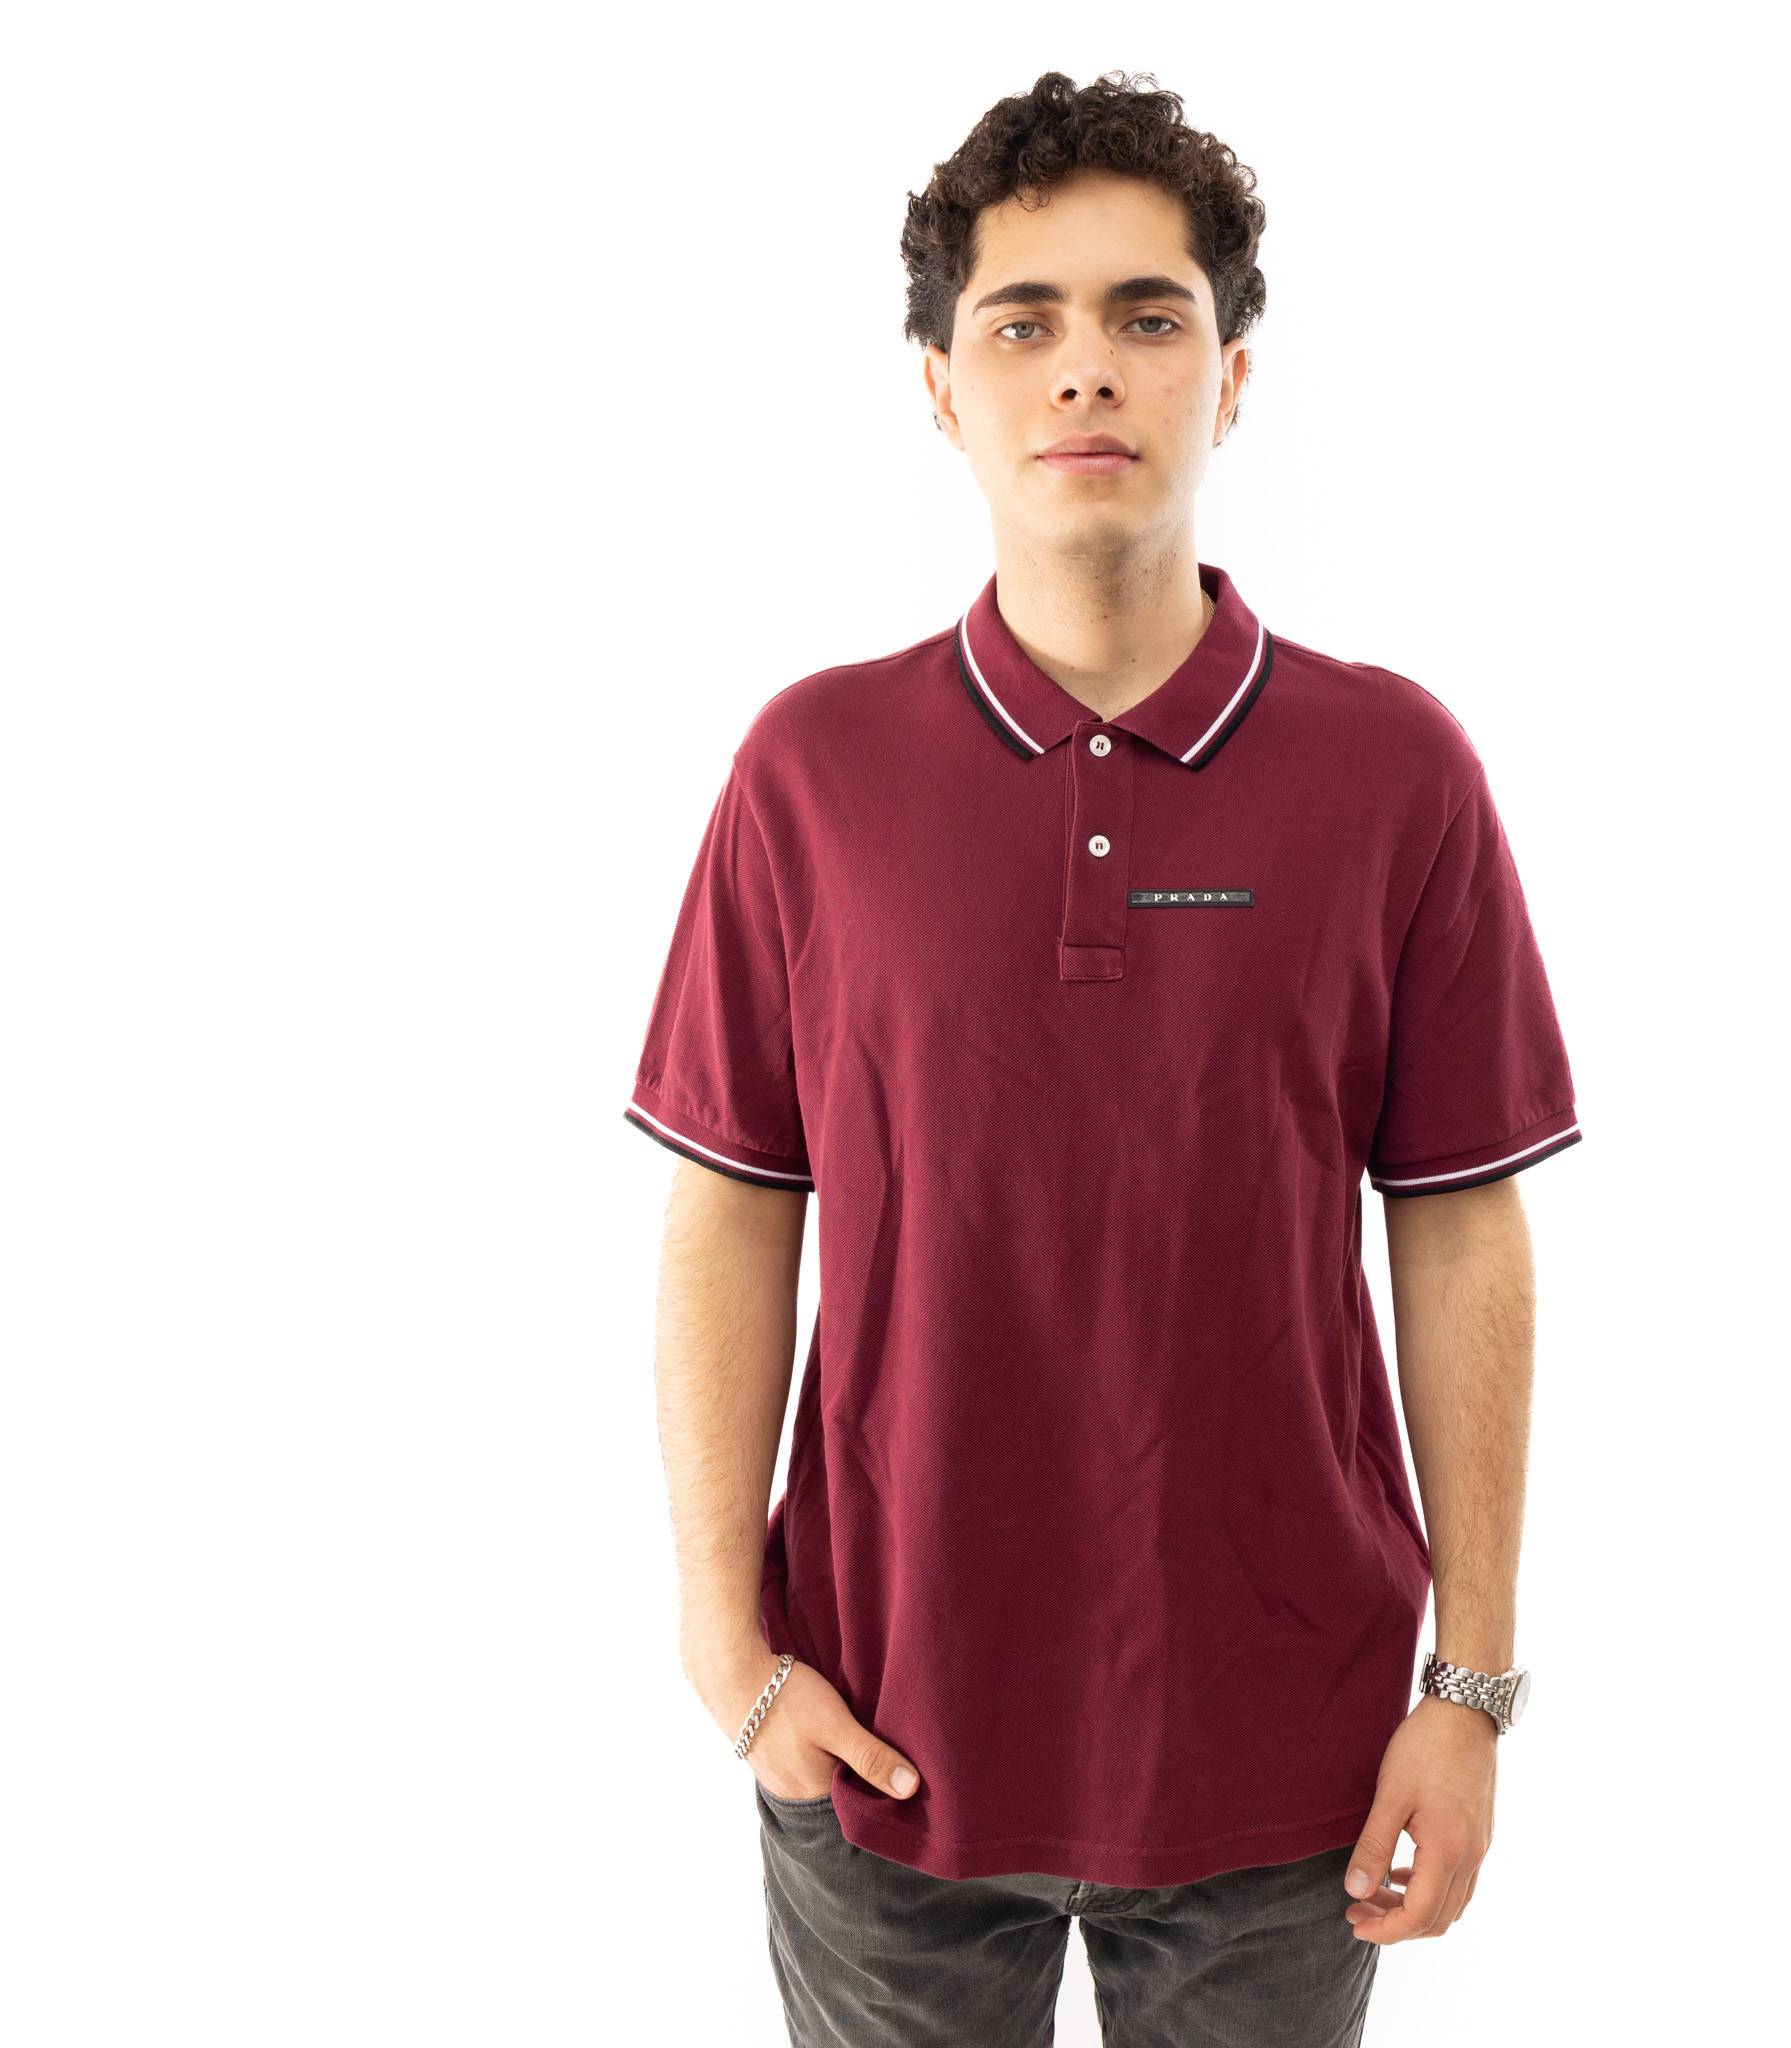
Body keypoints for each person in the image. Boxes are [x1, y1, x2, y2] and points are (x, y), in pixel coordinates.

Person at [625, 68, 1581, 2046]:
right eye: (1022, 322)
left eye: (1148, 315)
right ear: (939, 386)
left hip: (1292, 1753)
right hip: (876, 1734)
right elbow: (731, 1204)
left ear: (1230, 376)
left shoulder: (1395, 769)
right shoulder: (811, 771)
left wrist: (1469, 1686)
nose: (1086, 369)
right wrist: (728, 1645)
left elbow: (1458, 1223)